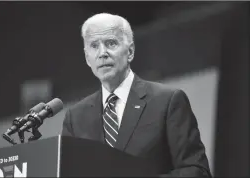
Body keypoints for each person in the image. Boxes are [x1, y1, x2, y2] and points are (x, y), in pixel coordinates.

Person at [62, 13, 211, 177]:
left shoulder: (168, 101)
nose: (102, 53)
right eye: (94, 46)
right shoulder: (75, 117)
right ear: (87, 58)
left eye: (111, 43)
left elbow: (196, 171)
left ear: (130, 51)